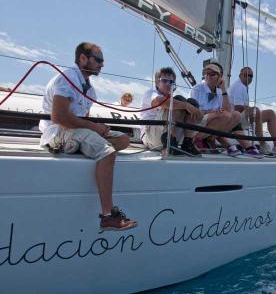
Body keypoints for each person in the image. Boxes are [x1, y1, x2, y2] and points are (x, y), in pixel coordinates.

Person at [38, 42, 137, 231]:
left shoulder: (89, 89)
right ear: (82, 58)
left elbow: (81, 119)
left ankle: (84, 149)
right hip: (58, 132)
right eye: (98, 60)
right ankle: (107, 216)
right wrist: (93, 127)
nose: (102, 65)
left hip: (75, 131)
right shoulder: (66, 79)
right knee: (108, 153)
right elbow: (59, 117)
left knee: (123, 139)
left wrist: (98, 128)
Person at [190, 63, 263, 158]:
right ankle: (199, 139)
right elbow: (195, 111)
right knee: (225, 115)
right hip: (199, 120)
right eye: (206, 74)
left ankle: (210, 140)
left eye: (212, 74)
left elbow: (229, 111)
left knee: (236, 115)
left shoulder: (220, 92)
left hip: (215, 120)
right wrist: (212, 112)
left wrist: (223, 89)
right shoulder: (197, 88)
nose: (208, 76)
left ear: (219, 77)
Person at [228, 67, 276, 157]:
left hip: (242, 117)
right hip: (234, 121)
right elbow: (238, 108)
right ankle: (262, 144)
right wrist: (254, 112)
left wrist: (253, 112)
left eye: (251, 76)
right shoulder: (239, 86)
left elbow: (243, 108)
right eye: (246, 75)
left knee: (270, 113)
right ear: (240, 75)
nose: (248, 77)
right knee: (255, 110)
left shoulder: (243, 87)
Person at [140, 67, 203, 155]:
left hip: (164, 134)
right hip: (150, 137)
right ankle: (170, 143)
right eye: (164, 81)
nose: (168, 84)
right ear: (157, 82)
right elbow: (158, 101)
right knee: (178, 101)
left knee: (192, 102)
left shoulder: (170, 97)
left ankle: (187, 144)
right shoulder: (151, 93)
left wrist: (192, 108)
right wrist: (186, 105)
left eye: (171, 82)